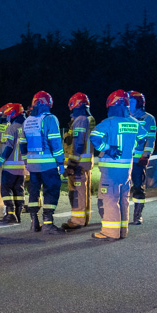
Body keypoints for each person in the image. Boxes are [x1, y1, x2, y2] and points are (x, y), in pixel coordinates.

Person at [88, 90, 147, 241]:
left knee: (110, 199)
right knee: (123, 199)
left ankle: (110, 232)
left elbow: (94, 138)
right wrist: (132, 148)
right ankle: (122, 231)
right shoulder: (134, 122)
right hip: (127, 167)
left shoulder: (109, 122)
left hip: (111, 169)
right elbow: (143, 137)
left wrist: (107, 147)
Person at [22, 91, 66, 234]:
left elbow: (22, 144)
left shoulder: (27, 120)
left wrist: (26, 161)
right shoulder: (50, 119)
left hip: (32, 164)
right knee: (51, 190)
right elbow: (56, 143)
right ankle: (48, 223)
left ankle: (34, 222)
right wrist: (60, 162)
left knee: (34, 192)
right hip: (48, 164)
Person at [61, 92, 96, 231]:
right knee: (83, 192)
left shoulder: (80, 119)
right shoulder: (89, 118)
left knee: (76, 192)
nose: (71, 111)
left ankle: (77, 220)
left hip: (79, 162)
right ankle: (84, 218)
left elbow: (78, 143)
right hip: (86, 161)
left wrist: (72, 163)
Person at [0, 102, 27, 225]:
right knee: (19, 191)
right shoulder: (27, 126)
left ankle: (10, 215)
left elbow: (7, 148)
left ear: (13, 114)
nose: (7, 118)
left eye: (8, 115)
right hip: (23, 167)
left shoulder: (11, 128)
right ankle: (18, 215)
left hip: (10, 166)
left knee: (6, 190)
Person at [128, 91, 157, 225]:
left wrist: (146, 156)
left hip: (138, 159)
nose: (128, 103)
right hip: (124, 159)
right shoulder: (125, 116)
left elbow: (150, 140)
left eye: (131, 101)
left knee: (138, 187)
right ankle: (120, 214)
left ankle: (137, 215)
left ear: (139, 103)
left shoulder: (148, 118)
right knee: (122, 188)